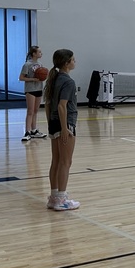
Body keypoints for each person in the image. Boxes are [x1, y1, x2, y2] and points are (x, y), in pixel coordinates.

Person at [45, 49, 80, 211]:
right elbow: (61, 106)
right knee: (66, 162)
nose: (75, 62)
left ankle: (54, 197)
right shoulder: (68, 82)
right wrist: (65, 128)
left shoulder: (54, 79)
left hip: (53, 123)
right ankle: (61, 199)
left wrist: (50, 123)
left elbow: (48, 104)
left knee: (56, 161)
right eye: (73, 60)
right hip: (65, 123)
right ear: (66, 63)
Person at [18, 45, 48, 142]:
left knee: (35, 111)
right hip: (30, 89)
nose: (41, 53)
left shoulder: (40, 64)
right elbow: (21, 78)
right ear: (34, 54)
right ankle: (27, 131)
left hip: (39, 88)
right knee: (30, 111)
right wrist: (33, 79)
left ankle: (34, 130)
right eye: (39, 52)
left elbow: (42, 76)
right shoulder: (27, 64)